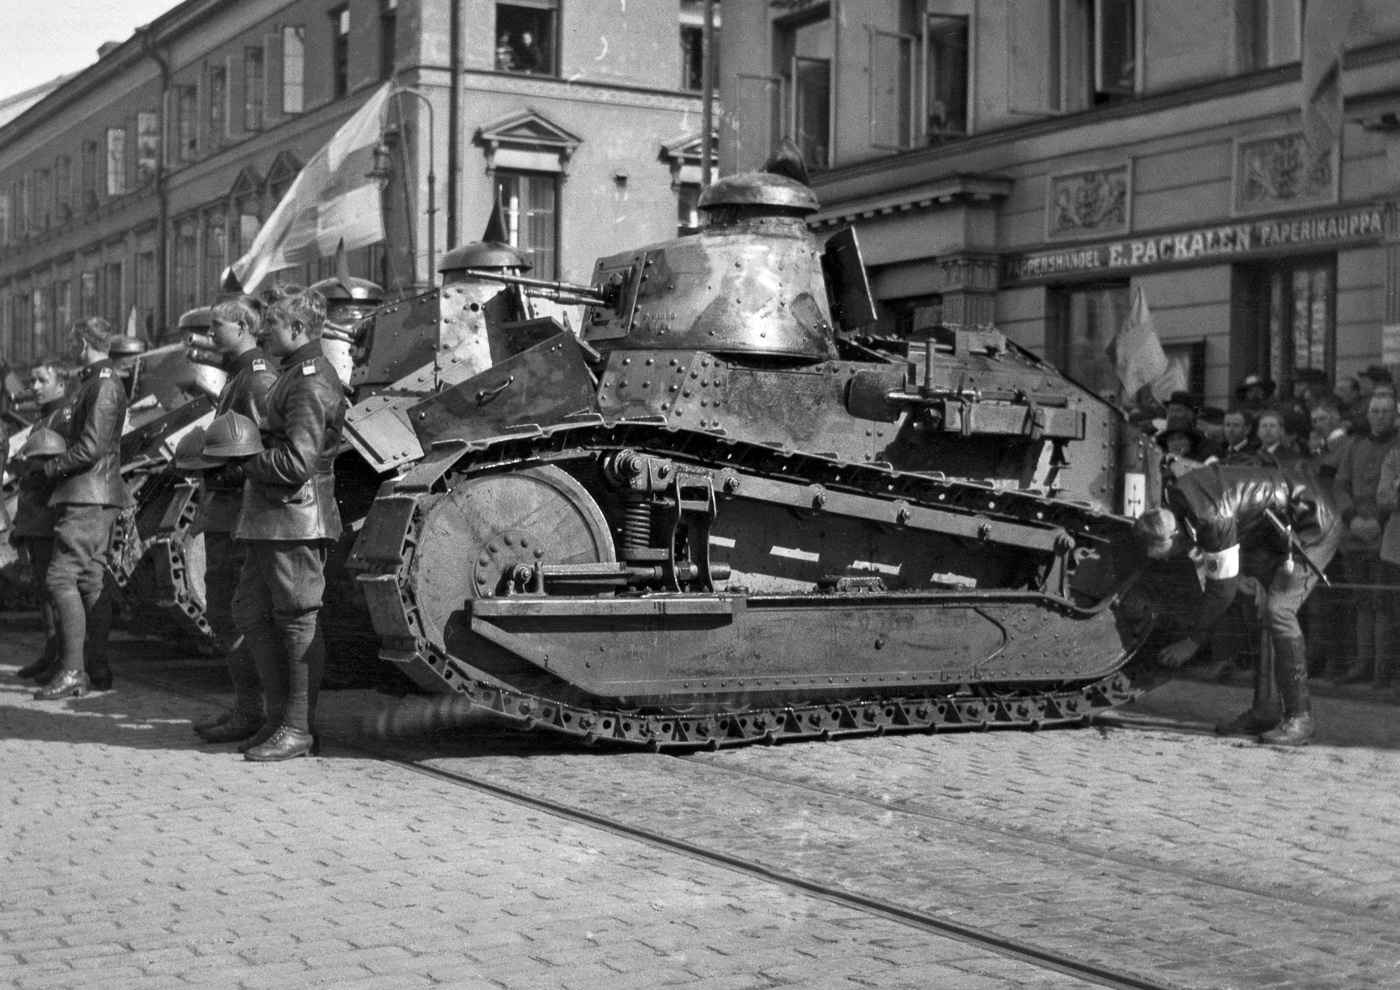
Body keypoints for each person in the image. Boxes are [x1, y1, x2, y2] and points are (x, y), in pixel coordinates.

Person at [224, 287, 347, 762]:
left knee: (297, 621)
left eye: (272, 326)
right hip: (275, 518)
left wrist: (245, 459)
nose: (264, 333)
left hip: (296, 516)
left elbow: (298, 461)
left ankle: (297, 728)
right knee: (251, 612)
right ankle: (279, 719)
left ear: (298, 329)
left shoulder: (312, 380)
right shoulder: (292, 374)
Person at [1135, 463, 1340, 746]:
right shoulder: (1180, 498)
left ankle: (1300, 719)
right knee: (1261, 605)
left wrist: (1192, 642)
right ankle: (1266, 710)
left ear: (1172, 536)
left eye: (1169, 553)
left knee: (1278, 610)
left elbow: (1221, 590)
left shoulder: (1212, 517)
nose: (1173, 558)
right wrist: (1237, 574)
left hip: (1314, 522)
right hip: (1281, 520)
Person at [188, 297, 279, 744]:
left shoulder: (258, 378)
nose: (210, 335)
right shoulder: (242, 375)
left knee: (236, 614)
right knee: (224, 613)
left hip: (239, 513)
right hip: (225, 512)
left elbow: (260, 451)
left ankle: (255, 710)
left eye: (215, 326)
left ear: (243, 326)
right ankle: (248, 706)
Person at [30, 319, 133, 699]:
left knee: (60, 578)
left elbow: (91, 447)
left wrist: (52, 468)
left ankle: (73, 670)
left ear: (82, 341)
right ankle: (96, 667)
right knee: (90, 580)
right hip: (93, 492)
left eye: (73, 340)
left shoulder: (103, 383)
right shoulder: (96, 380)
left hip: (88, 494)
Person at [12, 361, 75, 684]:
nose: (34, 386)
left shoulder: (63, 418)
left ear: (62, 385)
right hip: (37, 516)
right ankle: (52, 654)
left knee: (55, 587)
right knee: (43, 589)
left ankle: (65, 659)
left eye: (41, 380)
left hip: (50, 515)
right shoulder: (45, 420)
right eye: (32, 380)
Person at [1332, 392, 1400, 685]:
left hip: (1387, 534)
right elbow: (1340, 485)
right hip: (1355, 534)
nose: (1380, 416)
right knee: (1361, 602)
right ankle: (1362, 664)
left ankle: (1381, 670)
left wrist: (1378, 523)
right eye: (1375, 411)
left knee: (1383, 601)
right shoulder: (1354, 445)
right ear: (1368, 414)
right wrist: (1352, 519)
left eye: (1386, 411)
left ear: (1395, 415)